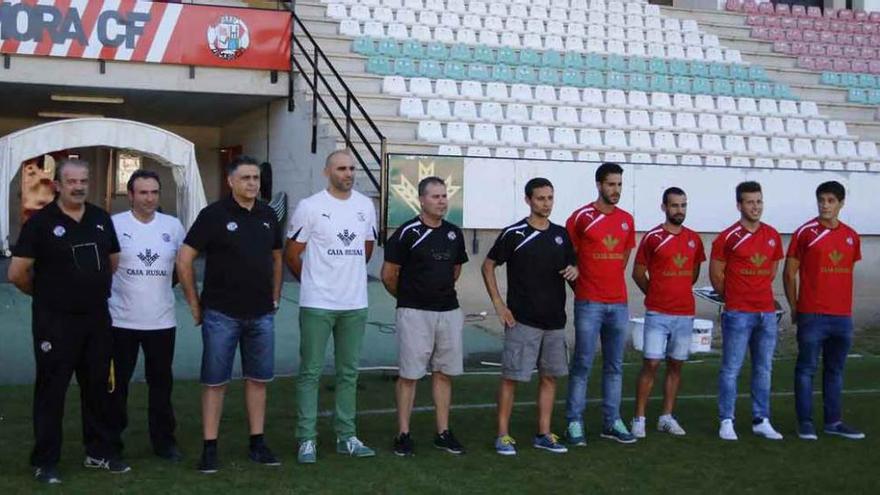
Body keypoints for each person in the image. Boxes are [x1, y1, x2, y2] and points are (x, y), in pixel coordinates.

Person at [8, 159, 130, 484]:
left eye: (84, 181)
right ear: (58, 185)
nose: (79, 187)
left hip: (96, 319)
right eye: (72, 181)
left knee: (97, 389)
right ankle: (45, 461)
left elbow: (112, 262)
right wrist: (49, 295)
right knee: (52, 391)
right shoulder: (41, 223)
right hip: (55, 322)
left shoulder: (101, 219)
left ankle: (99, 452)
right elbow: (17, 273)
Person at [177, 155, 283, 473]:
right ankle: (210, 448)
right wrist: (195, 304)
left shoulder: (268, 215)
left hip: (261, 314)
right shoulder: (213, 215)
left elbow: (277, 258)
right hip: (221, 314)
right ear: (231, 182)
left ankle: (257, 442)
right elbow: (184, 260)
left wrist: (275, 297)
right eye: (246, 178)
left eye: (256, 178)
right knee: (214, 382)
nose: (252, 183)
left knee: (258, 380)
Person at [286, 150, 378, 464]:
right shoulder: (310, 207)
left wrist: (346, 278)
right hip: (317, 304)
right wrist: (313, 282)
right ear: (327, 172)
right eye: (341, 168)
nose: (348, 173)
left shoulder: (366, 206)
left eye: (352, 168)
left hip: (355, 303)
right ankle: (306, 439)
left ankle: (346, 435)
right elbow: (292, 253)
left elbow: (366, 248)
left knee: (348, 373)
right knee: (310, 372)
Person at [482, 178, 578, 456]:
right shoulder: (514, 233)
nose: (546, 203)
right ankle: (502, 435)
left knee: (550, 378)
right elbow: (488, 266)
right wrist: (499, 304)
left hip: (555, 321)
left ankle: (544, 434)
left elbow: (572, 267)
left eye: (550, 198)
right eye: (540, 198)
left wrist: (575, 271)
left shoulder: (560, 234)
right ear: (528, 200)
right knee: (511, 378)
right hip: (522, 320)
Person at [381, 177, 468, 457]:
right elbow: (388, 275)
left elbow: (455, 269)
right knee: (409, 375)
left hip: (448, 312)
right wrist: (409, 299)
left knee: (443, 373)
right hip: (414, 313)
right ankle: (402, 433)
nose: (442, 201)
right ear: (421, 200)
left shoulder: (455, 233)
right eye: (435, 197)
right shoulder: (407, 232)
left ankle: (442, 432)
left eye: (444, 196)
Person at [107, 170, 186, 462]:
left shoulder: (173, 226)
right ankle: (112, 443)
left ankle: (164, 443)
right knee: (117, 387)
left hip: (162, 322)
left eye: (154, 192)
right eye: (143, 193)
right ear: (130, 195)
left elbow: (180, 268)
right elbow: (106, 267)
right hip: (120, 321)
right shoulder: (114, 225)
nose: (149, 198)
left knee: (161, 386)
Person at [784, 181, 865, 440]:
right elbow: (789, 274)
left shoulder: (852, 236)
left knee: (835, 370)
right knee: (806, 368)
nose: (825, 205)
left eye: (831, 200)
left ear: (841, 203)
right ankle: (805, 423)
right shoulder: (805, 232)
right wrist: (795, 307)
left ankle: (834, 421)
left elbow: (847, 271)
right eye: (821, 200)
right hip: (813, 314)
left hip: (842, 316)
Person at [564, 162, 637, 445]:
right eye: (610, 184)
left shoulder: (626, 220)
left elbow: (622, 260)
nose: (615, 190)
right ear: (598, 185)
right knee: (582, 363)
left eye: (619, 184)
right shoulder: (581, 217)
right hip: (589, 303)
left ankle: (612, 421)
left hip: (618, 304)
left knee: (615, 366)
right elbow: (565, 257)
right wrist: (581, 285)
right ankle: (574, 421)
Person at [710, 181, 784, 441]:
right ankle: (726, 420)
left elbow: (773, 269)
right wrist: (733, 298)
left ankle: (761, 419)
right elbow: (716, 273)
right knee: (731, 368)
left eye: (759, 201)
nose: (756, 207)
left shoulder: (773, 235)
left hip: (766, 313)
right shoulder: (727, 237)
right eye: (750, 202)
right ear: (739, 205)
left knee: (764, 368)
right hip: (738, 312)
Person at [630, 187, 706, 438]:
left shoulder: (694, 239)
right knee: (651, 363)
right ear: (664, 207)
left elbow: (693, 273)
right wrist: (655, 293)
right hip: (658, 313)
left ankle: (666, 416)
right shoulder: (652, 237)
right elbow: (638, 273)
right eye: (674, 205)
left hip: (685, 313)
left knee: (676, 365)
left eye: (683, 205)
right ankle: (639, 418)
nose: (679, 210)